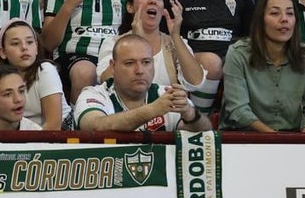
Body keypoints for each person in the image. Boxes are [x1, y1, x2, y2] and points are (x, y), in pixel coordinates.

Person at [94, 0, 210, 109]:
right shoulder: (114, 43)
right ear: (130, 7)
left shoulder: (175, 42)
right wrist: (136, 39)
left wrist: (175, 36)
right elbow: (107, 80)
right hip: (126, 114)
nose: (153, 0)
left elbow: (196, 82)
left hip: (167, 115)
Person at [221, 0, 305, 132]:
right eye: (275, 13)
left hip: (293, 140)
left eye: (290, 13)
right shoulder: (238, 54)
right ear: (261, 20)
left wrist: (304, 140)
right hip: (245, 138)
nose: (284, 19)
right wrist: (275, 141)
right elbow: (238, 110)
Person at [69, 33, 211, 131]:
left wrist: (190, 114)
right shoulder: (93, 95)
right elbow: (96, 126)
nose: (140, 70)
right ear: (113, 67)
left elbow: (205, 131)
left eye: (146, 62)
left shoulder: (166, 94)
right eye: (130, 63)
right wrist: (152, 110)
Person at [0, 18, 68, 129]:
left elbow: (54, 126)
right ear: (3, 52)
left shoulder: (46, 70)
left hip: (59, 136)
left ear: (37, 48)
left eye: (29, 42)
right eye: (15, 43)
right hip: (24, 137)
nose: (24, 47)